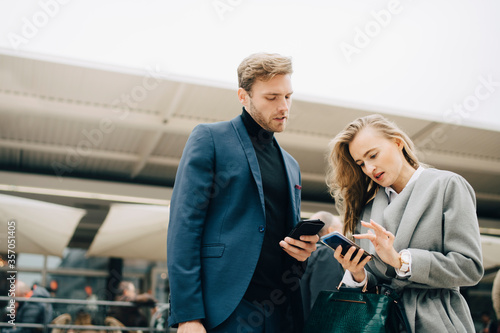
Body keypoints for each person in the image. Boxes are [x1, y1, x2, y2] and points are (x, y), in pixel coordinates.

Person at [167, 52, 318, 333]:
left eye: (288, 96)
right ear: (243, 96)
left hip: (280, 310)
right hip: (225, 310)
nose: (283, 106)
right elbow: (183, 228)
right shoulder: (210, 139)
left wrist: (302, 252)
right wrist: (188, 316)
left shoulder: (292, 165)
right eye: (271, 97)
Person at [326, 114, 484, 332]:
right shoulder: (367, 210)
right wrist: (357, 273)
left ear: (397, 142)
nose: (370, 168)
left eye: (373, 155)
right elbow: (376, 281)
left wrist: (401, 261)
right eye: (361, 163)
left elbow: (469, 268)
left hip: (436, 321)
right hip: (385, 322)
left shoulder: (447, 186)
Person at [300, 211, 344, 320]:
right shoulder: (326, 254)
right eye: (341, 229)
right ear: (331, 231)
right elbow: (325, 304)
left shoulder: (303, 254)